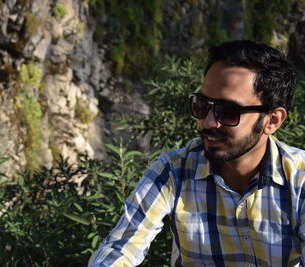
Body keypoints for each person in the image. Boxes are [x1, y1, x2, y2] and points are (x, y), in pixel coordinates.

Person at [88, 40, 305, 266]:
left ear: (272, 120)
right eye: (202, 105)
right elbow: (120, 249)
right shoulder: (173, 170)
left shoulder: (300, 180)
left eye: (228, 112)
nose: (208, 122)